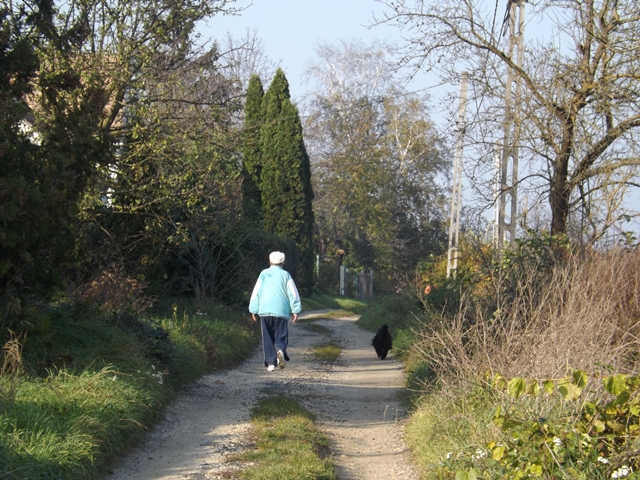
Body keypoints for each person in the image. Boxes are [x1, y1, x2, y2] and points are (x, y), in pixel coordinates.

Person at [249, 251, 301, 371]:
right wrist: (295, 310)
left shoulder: (264, 274)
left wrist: (253, 309)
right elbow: (293, 293)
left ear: (270, 261)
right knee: (281, 335)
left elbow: (256, 292)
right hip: (281, 311)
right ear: (283, 262)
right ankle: (280, 350)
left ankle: (270, 363)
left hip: (265, 310)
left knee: (267, 337)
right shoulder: (286, 275)